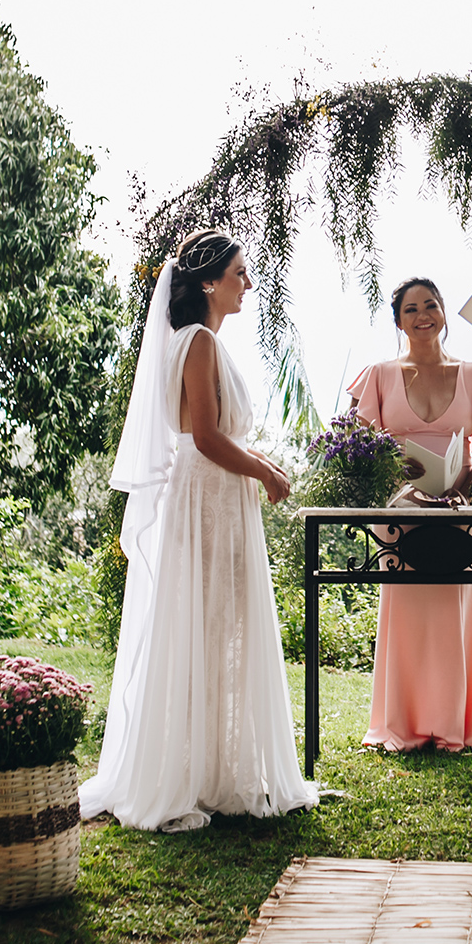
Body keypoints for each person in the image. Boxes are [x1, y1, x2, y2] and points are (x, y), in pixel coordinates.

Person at [79, 229, 317, 831]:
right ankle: (194, 776)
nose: (248, 283)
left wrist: (260, 463)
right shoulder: (201, 342)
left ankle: (214, 769)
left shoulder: (194, 341)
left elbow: (213, 435)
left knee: (212, 625)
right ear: (210, 281)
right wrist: (266, 473)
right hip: (207, 494)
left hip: (211, 492)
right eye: (240, 272)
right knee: (210, 622)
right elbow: (207, 439)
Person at [348, 278, 472, 752]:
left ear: (442, 312)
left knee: (450, 611)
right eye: (411, 308)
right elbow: (359, 450)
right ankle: (402, 725)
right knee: (406, 613)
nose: (423, 315)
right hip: (400, 510)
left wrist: (463, 488)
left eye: (431, 305)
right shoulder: (378, 374)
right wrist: (398, 481)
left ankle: (452, 725)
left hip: (456, 509)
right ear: (398, 320)